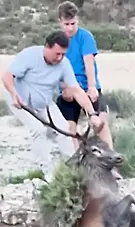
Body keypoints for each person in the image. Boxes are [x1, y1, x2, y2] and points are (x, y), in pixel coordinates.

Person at [1, 30, 98, 182]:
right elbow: (7, 76)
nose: (59, 58)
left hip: (44, 102)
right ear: (47, 47)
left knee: (65, 131)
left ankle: (73, 169)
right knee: (38, 130)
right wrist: (14, 94)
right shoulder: (30, 55)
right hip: (21, 102)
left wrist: (92, 114)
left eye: (63, 55)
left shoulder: (64, 64)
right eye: (57, 54)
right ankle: (46, 173)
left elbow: (77, 91)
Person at [55, 1, 121, 180]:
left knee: (100, 123)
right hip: (68, 89)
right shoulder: (57, 40)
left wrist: (92, 87)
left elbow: (88, 63)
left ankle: (111, 166)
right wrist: (63, 88)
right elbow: (54, 67)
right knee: (69, 129)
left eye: (73, 23)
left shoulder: (85, 37)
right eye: (66, 24)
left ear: (78, 20)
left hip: (87, 86)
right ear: (60, 22)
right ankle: (78, 169)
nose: (70, 28)